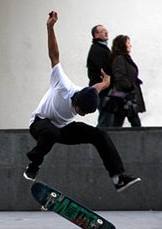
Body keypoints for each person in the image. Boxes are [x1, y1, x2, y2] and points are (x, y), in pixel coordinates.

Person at [23, 11, 141, 192]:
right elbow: (54, 56)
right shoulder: (62, 84)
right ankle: (33, 166)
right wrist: (50, 27)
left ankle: (118, 177)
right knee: (51, 133)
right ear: (76, 102)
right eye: (81, 111)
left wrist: (106, 82)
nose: (82, 115)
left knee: (99, 135)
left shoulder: (87, 93)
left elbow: (97, 88)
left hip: (63, 129)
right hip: (40, 124)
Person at [110, 35, 146, 127]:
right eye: (128, 43)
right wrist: (129, 86)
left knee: (119, 122)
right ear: (122, 45)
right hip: (125, 97)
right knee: (133, 122)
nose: (130, 45)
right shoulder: (120, 59)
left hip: (126, 97)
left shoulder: (124, 58)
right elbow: (120, 76)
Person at [86, 24, 114, 127]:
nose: (106, 32)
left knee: (108, 120)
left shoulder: (103, 48)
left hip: (105, 89)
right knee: (105, 121)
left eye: (106, 30)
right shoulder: (97, 49)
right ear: (95, 35)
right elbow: (105, 69)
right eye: (102, 31)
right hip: (103, 90)